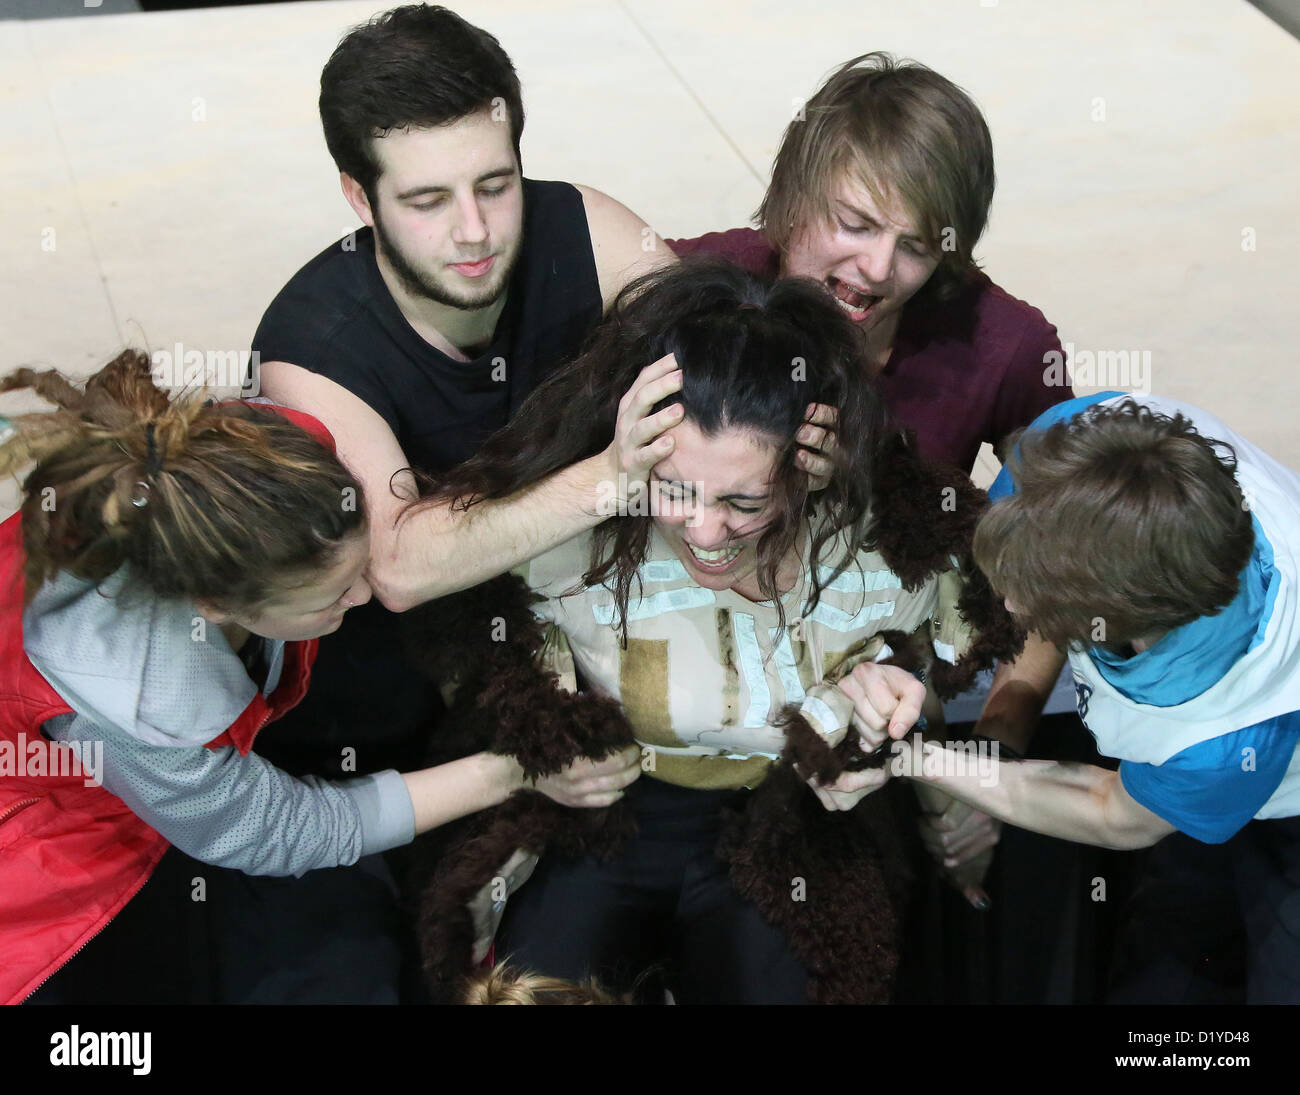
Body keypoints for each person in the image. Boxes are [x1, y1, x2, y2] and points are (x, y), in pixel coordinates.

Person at [416, 260, 1013, 1003]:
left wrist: (908, 724)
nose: (705, 529)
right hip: (612, 802)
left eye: (744, 499)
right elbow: (425, 575)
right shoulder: (573, 518)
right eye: (674, 489)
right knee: (534, 984)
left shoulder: (890, 549)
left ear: (808, 465)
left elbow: (986, 627)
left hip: (781, 812)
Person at [0, 350, 634, 1005]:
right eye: (332, 594)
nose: (369, 590)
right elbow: (282, 830)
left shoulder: (269, 460)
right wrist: (513, 769)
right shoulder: (133, 692)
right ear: (214, 606)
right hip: (48, 828)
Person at [839, 392, 1300, 1003]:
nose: (1004, 607)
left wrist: (907, 757)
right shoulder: (1075, 449)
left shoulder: (1225, 731)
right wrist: (979, 756)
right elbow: (1049, 583)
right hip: (1183, 784)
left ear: (1118, 620)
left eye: (1032, 598)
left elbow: (1111, 812)